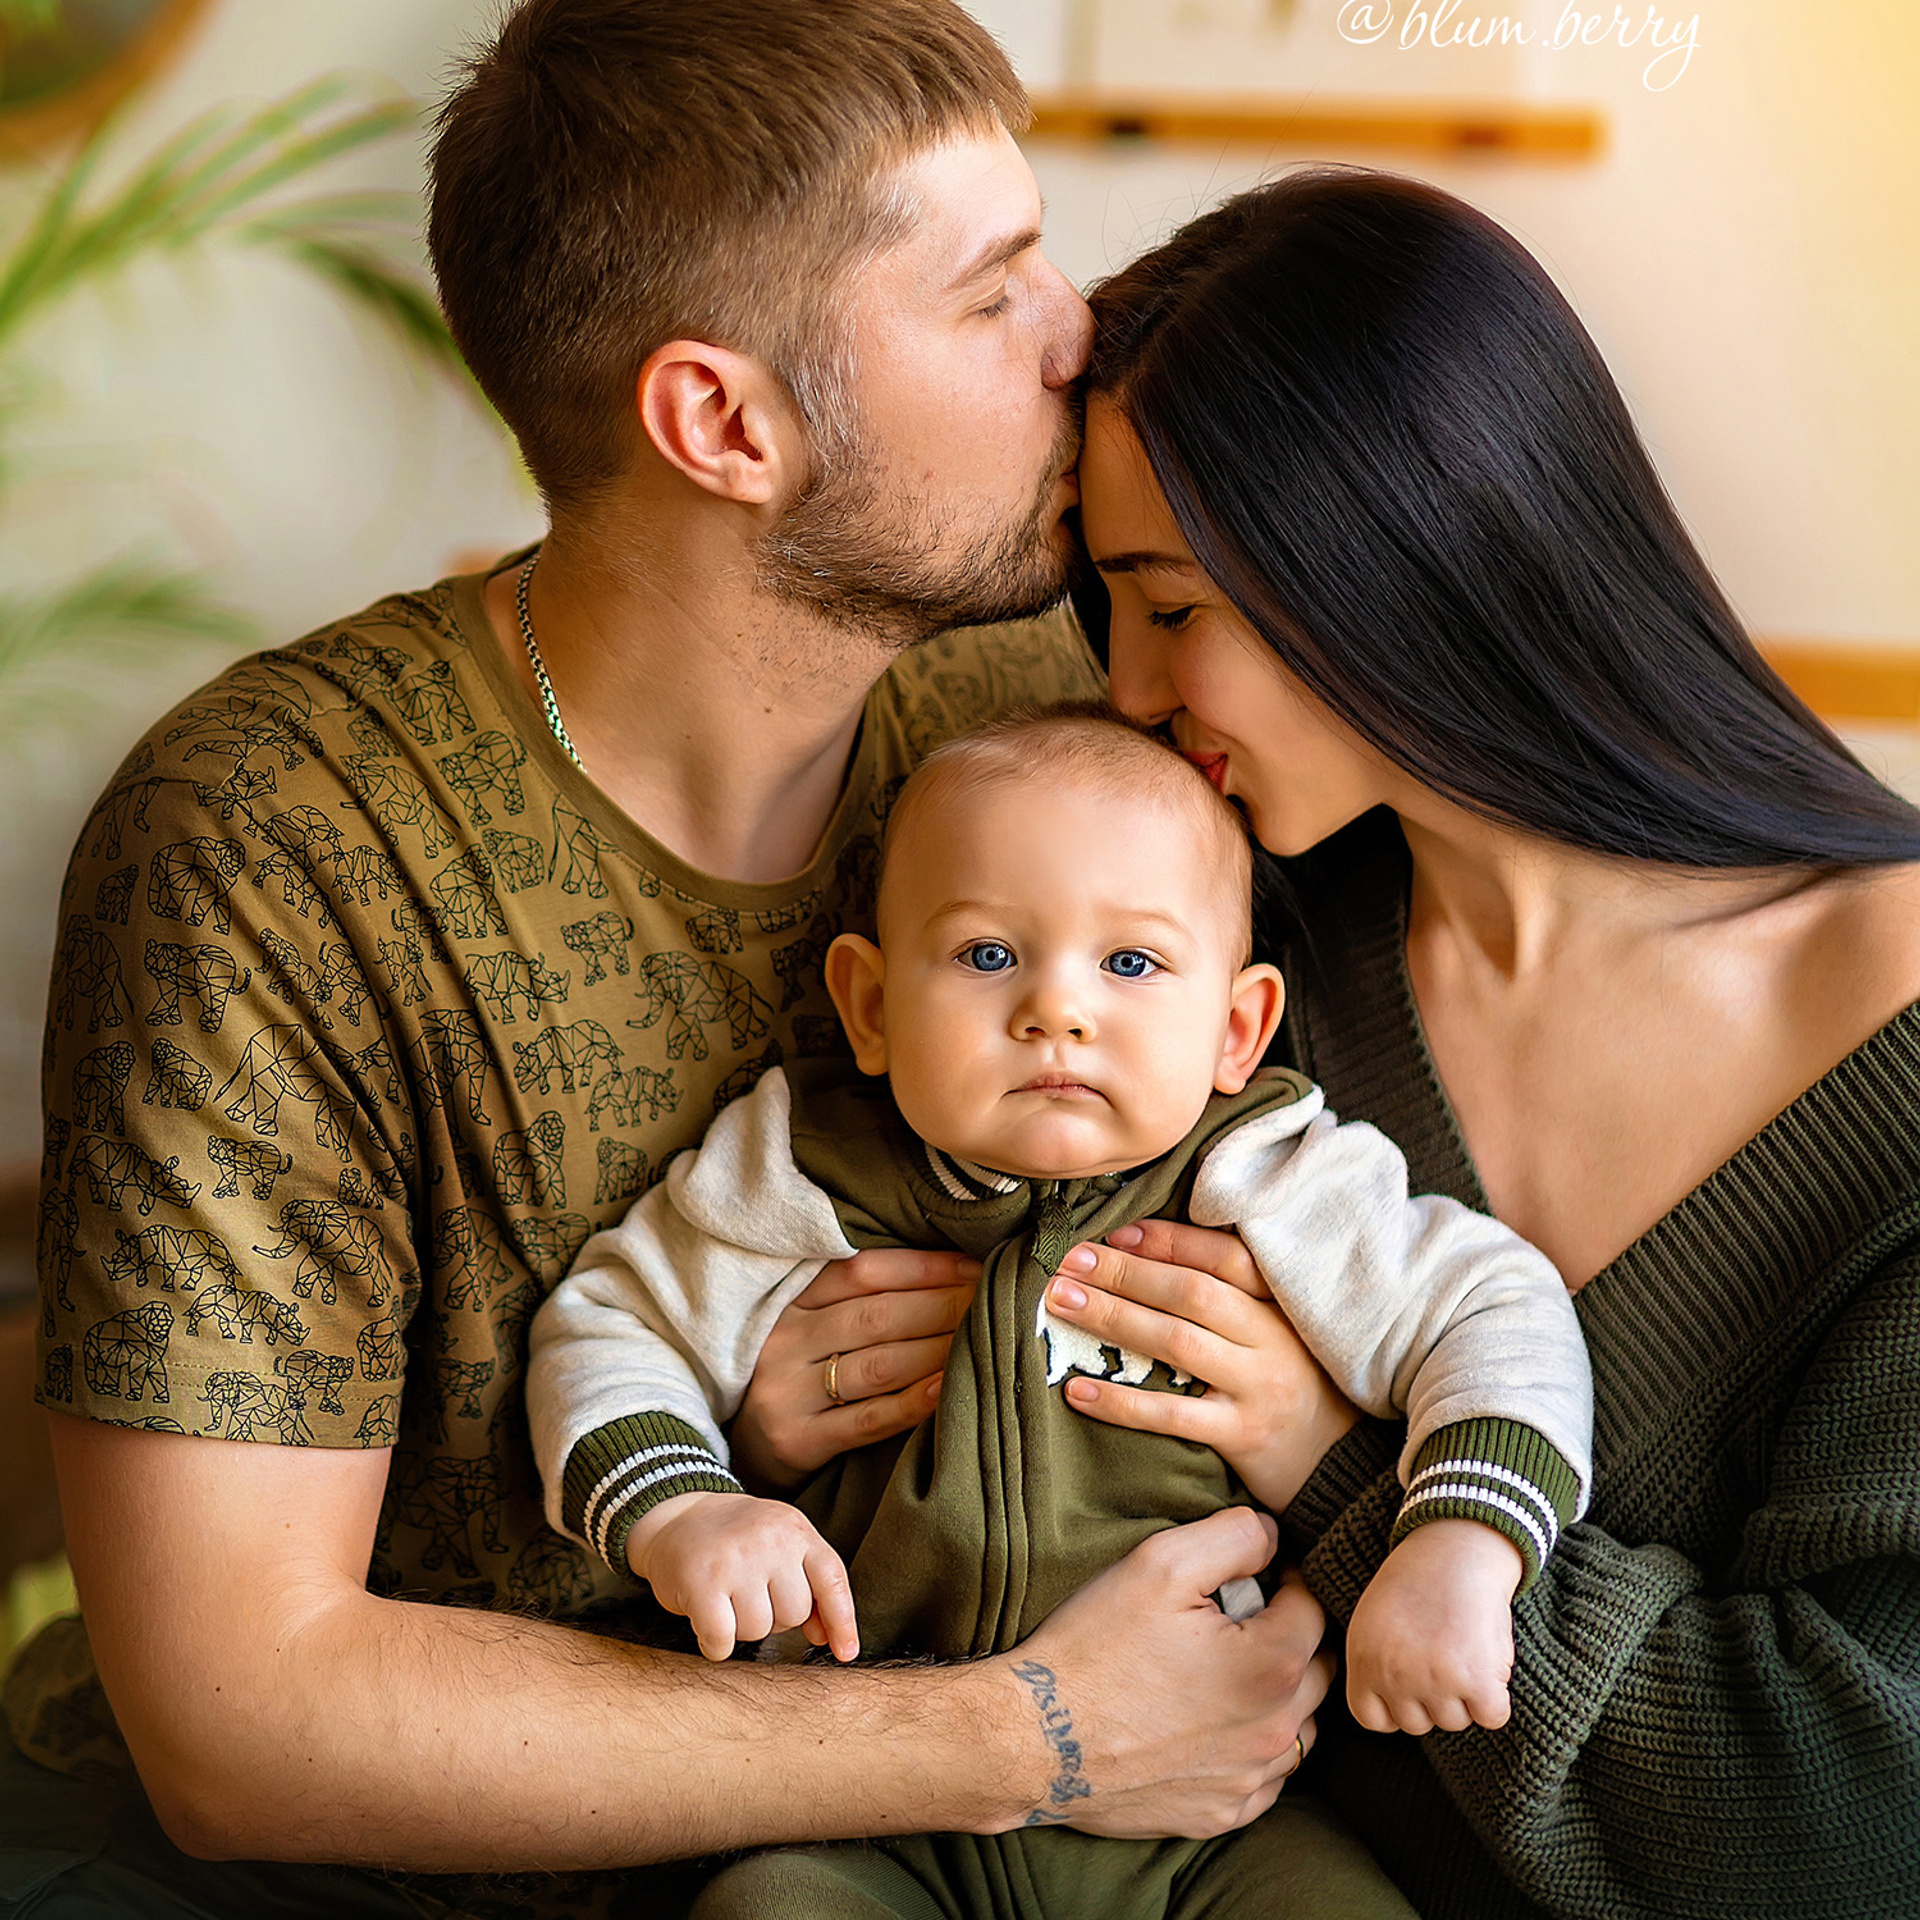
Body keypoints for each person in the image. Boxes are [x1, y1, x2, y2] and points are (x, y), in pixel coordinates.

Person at [4, 7, 1342, 1916]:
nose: (1085, 332)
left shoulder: (1061, 701)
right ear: (725, 424)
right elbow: (242, 1722)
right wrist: (1032, 1731)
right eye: (992, 295)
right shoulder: (274, 839)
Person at [1016, 167, 1920, 1918]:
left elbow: (1856, 1810)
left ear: (1397, 555)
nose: (1125, 689)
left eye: (1172, 606)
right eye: (1109, 609)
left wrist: (1348, 1476)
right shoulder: (1227, 974)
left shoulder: (1893, 1035)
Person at [525, 706, 1591, 1918]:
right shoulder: (803, 1167)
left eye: (1130, 964)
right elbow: (611, 1329)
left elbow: (1492, 1306)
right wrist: (685, 1508)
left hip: (1207, 1833)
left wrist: (1461, 1544)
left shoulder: (1273, 1174)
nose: (1056, 1011)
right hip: (868, 1817)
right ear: (869, 1006)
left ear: (1237, 1029)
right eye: (987, 954)